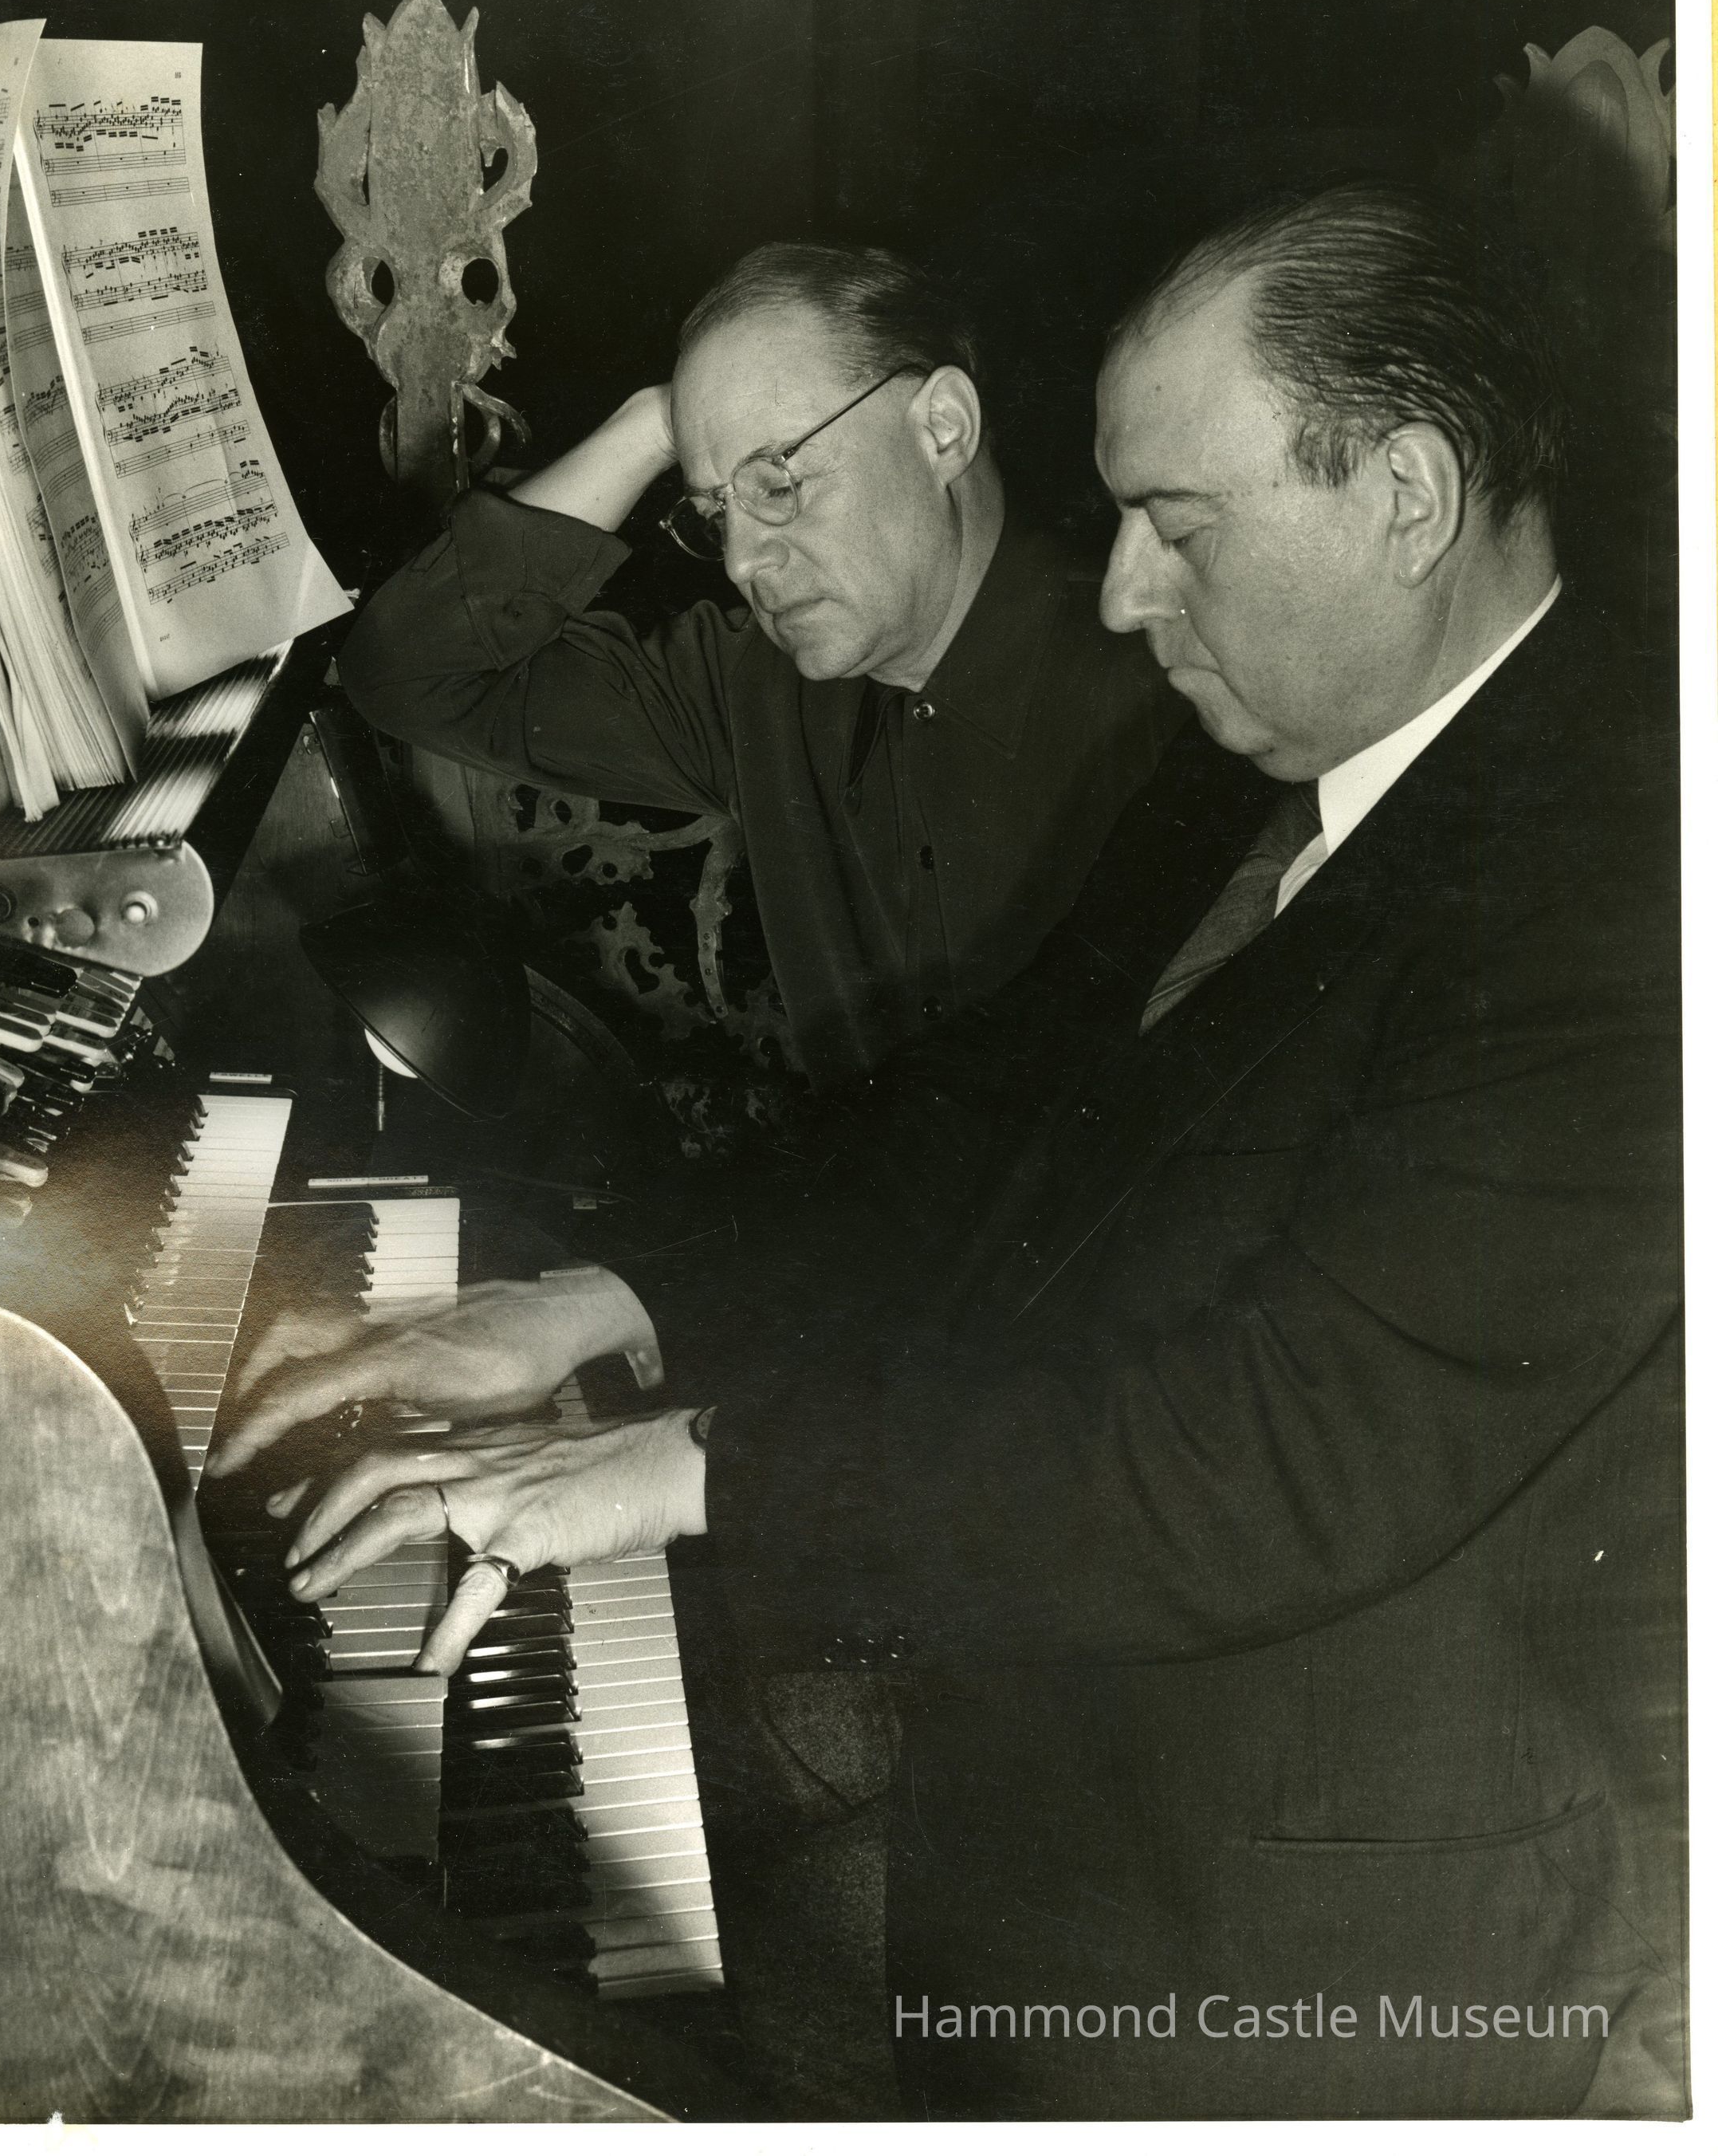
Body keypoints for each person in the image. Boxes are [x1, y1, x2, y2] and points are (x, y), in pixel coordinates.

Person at [216, 184, 1685, 2120]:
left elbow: (1264, 1457)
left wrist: (692, 1462)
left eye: (1178, 526)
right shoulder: (1245, 767)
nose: (1121, 593)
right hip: (1067, 1766)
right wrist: (598, 1299)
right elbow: (979, 1117)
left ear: (1403, 495)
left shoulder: (1628, 890)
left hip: (1329, 1937)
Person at [337, 242, 1173, 1088]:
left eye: (776, 482)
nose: (740, 561)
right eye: (714, 513)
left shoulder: (1173, 685)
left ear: (943, 429)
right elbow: (407, 673)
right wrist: (657, 423)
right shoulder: (752, 687)